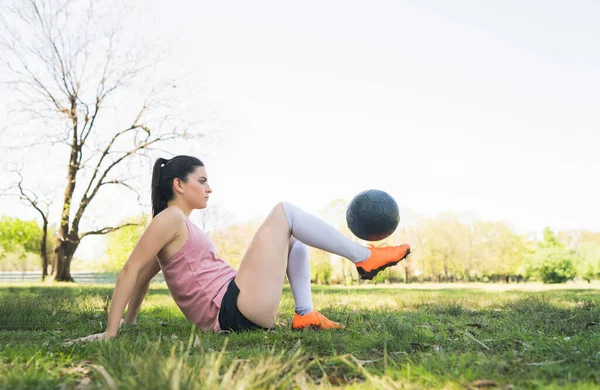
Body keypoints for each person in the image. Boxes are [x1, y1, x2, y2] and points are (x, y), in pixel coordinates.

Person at [71, 155, 411, 342]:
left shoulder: (179, 225)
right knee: (285, 213)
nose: (209, 189)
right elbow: (132, 270)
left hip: (238, 306)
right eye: (201, 181)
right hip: (231, 311)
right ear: (179, 184)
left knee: (292, 241)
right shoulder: (170, 218)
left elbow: (145, 276)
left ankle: (305, 314)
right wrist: (111, 332)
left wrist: (130, 323)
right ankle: (364, 257)